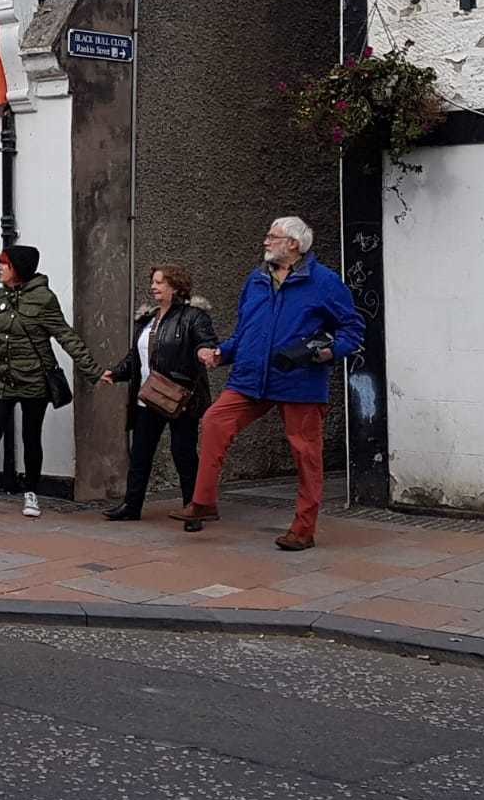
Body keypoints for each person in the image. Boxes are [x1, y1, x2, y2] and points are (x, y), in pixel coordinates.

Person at [174, 216, 365, 551]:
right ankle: (203, 501)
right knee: (215, 420)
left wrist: (328, 352)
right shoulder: (256, 279)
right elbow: (245, 331)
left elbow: (353, 329)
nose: (265, 241)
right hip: (250, 377)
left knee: (306, 455)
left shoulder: (325, 282)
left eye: (272, 236)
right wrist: (222, 353)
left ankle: (303, 530)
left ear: (294, 244)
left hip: (299, 382)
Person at [0, 244, 106, 519]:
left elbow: (66, 336)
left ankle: (31, 492)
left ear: (18, 268)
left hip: (34, 380)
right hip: (2, 378)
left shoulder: (43, 298)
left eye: (4, 263)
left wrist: (93, 371)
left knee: (31, 436)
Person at [97, 264, 218, 521]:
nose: (153, 287)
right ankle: (131, 506)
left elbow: (206, 341)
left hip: (180, 397)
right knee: (140, 453)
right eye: (153, 282)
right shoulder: (147, 319)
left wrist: (206, 351)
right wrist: (116, 373)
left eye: (160, 282)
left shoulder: (194, 317)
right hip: (149, 397)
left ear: (176, 286)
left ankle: (194, 508)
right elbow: (136, 357)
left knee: (183, 453)